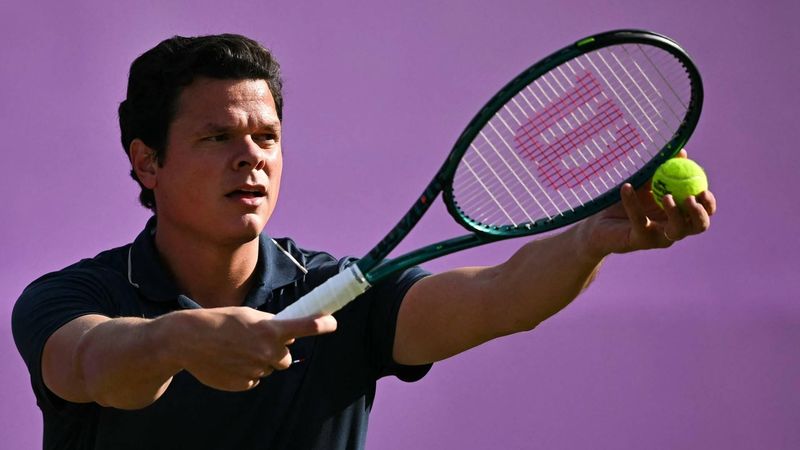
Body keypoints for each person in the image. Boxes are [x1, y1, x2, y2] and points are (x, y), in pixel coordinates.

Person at [12, 34, 716, 450]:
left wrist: (592, 239)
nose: (251, 158)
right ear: (147, 161)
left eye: (267, 138)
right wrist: (181, 339)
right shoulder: (72, 296)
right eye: (217, 137)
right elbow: (89, 363)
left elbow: (502, 297)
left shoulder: (346, 297)